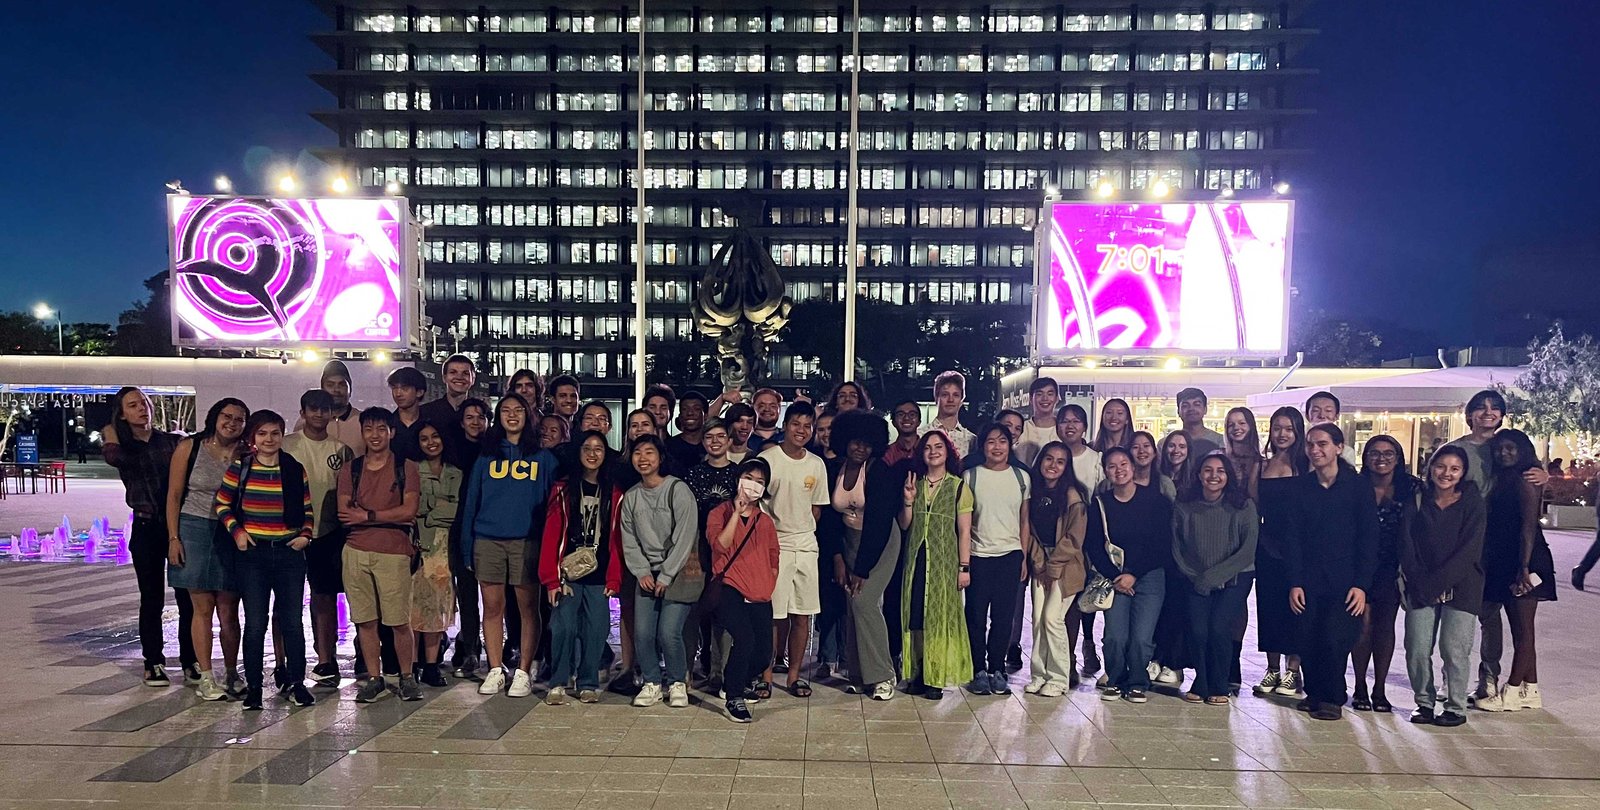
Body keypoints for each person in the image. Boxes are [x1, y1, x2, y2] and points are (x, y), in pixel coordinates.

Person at [1444, 390, 1548, 703]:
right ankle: (1453, 679)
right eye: (1480, 408)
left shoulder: (1508, 447)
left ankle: (1491, 679)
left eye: (1495, 408)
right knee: (1464, 611)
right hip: (1465, 540)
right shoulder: (1456, 449)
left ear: (1502, 414)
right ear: (1470, 415)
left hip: (1503, 545)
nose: (1488, 412)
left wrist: (1546, 476)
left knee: (1497, 615)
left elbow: (1529, 484)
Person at [460, 394, 559, 698]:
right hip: (487, 540)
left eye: (518, 410)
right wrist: (467, 546)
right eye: (506, 411)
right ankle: (494, 668)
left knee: (528, 608)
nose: (512, 415)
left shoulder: (542, 458)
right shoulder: (486, 456)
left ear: (529, 416)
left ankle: (524, 671)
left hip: (526, 541)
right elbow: (471, 503)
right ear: (498, 416)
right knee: (492, 607)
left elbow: (552, 509)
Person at [216, 410, 316, 710]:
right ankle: (255, 688)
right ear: (253, 438)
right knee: (256, 623)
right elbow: (223, 504)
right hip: (254, 555)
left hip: (289, 553)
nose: (269, 439)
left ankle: (298, 683)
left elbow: (308, 509)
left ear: (281, 435)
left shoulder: (294, 468)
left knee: (292, 623)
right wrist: (237, 532)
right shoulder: (241, 467)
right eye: (262, 434)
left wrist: (305, 536)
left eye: (274, 433)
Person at [1285, 422, 1379, 721]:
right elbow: (1294, 537)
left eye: (1322, 444)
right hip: (1309, 578)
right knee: (1308, 635)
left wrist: (1362, 584)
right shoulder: (1301, 488)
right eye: (1311, 444)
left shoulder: (1357, 487)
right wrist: (1295, 581)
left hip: (1346, 580)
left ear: (1339, 447)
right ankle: (1314, 692)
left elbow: (1369, 536)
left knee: (1335, 637)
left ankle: (1333, 697)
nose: (1315, 450)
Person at [107, 387, 196, 688]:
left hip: (177, 527)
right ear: (122, 414)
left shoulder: (172, 443)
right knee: (152, 599)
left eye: (144, 403)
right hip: (145, 528)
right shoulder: (123, 449)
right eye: (133, 405)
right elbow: (114, 457)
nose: (142, 409)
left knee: (188, 597)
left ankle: (191, 660)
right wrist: (110, 433)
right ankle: (153, 661)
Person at [162, 397, 248, 697]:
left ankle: (232, 672)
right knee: (202, 608)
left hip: (230, 531)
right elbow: (173, 496)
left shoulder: (246, 452)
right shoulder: (190, 447)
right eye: (227, 416)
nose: (232, 423)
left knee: (229, 609)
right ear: (215, 416)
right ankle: (206, 676)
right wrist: (174, 538)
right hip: (193, 528)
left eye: (239, 419)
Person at [338, 407, 424, 704]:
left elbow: (408, 511)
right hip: (356, 551)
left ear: (392, 432)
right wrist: (379, 516)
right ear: (362, 433)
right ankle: (374, 678)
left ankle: (407, 676)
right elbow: (346, 514)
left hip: (394, 552)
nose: (375, 435)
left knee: (399, 621)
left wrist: (368, 514)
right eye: (369, 429)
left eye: (381, 429)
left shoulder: (406, 467)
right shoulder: (351, 469)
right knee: (365, 620)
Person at [1399, 445, 1485, 727]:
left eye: (1454, 468)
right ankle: (1424, 702)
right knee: (1417, 646)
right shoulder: (1418, 499)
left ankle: (1455, 707)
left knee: (1454, 649)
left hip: (1463, 585)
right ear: (1430, 467)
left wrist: (1441, 582)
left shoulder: (1472, 502)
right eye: (1441, 466)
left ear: (1462, 473)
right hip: (1421, 585)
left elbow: (1470, 548)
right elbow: (1407, 544)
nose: (1446, 473)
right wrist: (1422, 582)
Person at [819, 410, 902, 701]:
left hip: (880, 543)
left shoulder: (879, 471)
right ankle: (857, 674)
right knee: (851, 605)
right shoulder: (834, 470)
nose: (860, 448)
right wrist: (839, 558)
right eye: (855, 441)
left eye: (867, 443)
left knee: (865, 601)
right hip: (849, 541)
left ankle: (882, 675)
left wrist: (862, 569)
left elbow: (879, 525)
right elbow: (829, 521)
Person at [538, 431, 624, 705]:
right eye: (586, 447)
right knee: (562, 627)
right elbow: (551, 534)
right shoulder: (562, 489)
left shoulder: (614, 492)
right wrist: (551, 579)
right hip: (567, 574)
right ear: (578, 452)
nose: (592, 453)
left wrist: (615, 577)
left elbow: (618, 540)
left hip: (599, 575)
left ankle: (587, 681)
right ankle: (559, 681)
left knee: (596, 630)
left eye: (599, 449)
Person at [1475, 429, 1557, 712]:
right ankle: (1531, 689)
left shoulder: (1527, 479)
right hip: (1508, 558)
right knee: (1521, 627)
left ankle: (1510, 691)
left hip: (1525, 559)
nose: (1504, 453)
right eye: (1499, 449)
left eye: (1511, 448)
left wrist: (1523, 567)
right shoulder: (1504, 479)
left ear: (1523, 450)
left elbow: (1527, 527)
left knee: (1523, 630)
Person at [1083, 448, 1174, 703]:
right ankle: (1114, 678)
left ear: (1133, 468)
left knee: (1142, 637)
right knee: (1114, 635)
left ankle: (1137, 680)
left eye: (1124, 464)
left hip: (1150, 575)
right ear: (1106, 472)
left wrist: (1133, 574)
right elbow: (1094, 545)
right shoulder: (1101, 504)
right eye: (1112, 466)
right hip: (1115, 578)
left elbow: (1162, 545)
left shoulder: (1156, 501)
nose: (1119, 470)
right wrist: (1116, 576)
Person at [620, 434, 701, 708]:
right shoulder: (631, 497)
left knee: (669, 631)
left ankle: (677, 682)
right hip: (646, 573)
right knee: (642, 632)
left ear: (660, 457)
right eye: (637, 453)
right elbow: (629, 539)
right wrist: (641, 570)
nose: (643, 458)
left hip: (677, 572)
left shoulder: (677, 489)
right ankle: (652, 682)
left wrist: (666, 574)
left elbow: (686, 535)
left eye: (649, 452)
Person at [757, 401, 830, 698]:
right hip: (775, 545)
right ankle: (765, 674)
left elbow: (816, 510)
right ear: (785, 427)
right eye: (796, 424)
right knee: (774, 614)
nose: (801, 431)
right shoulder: (768, 458)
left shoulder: (816, 464)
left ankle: (795, 676)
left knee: (803, 614)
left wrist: (802, 531)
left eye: (807, 426)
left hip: (806, 546)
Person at [1172, 453, 1258, 705]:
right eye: (1207, 470)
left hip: (1235, 578)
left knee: (1219, 628)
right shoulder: (1185, 504)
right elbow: (1177, 546)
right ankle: (1201, 680)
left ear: (1228, 476)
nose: (1213, 476)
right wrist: (1196, 576)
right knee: (1198, 631)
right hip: (1195, 578)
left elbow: (1247, 551)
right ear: (1198, 475)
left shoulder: (1243, 505)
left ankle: (1219, 683)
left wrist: (1215, 576)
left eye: (1220, 471)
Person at [283, 390, 355, 688]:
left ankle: (326, 660)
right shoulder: (286, 445)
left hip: (327, 533)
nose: (319, 414)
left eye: (324, 410)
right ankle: (285, 662)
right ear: (302, 411)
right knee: (286, 601)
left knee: (324, 597)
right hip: (287, 532)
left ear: (332, 413)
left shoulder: (341, 450)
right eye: (313, 409)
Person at [897, 429, 975, 699]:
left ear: (948, 451)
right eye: (927, 447)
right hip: (916, 560)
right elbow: (905, 525)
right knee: (915, 617)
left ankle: (936, 676)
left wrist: (964, 568)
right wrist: (907, 501)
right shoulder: (914, 483)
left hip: (944, 564)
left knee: (939, 618)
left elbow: (964, 531)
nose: (933, 451)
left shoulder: (958, 487)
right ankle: (917, 673)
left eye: (938, 446)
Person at [707, 458, 782, 722]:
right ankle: (734, 697)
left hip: (760, 591)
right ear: (739, 479)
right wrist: (736, 514)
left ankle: (733, 680)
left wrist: (770, 579)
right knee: (744, 638)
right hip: (731, 587)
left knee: (763, 653)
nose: (753, 485)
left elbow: (774, 555)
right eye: (749, 478)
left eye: (760, 482)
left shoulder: (766, 522)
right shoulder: (719, 513)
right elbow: (720, 545)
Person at [959, 424, 1031, 696]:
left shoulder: (1022, 477)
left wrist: (1023, 556)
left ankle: (997, 669)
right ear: (983, 446)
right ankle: (978, 669)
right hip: (979, 556)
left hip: (1010, 556)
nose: (997, 446)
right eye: (991, 441)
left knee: (1004, 618)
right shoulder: (970, 477)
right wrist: (963, 562)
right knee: (976, 616)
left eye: (1003, 441)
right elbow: (964, 523)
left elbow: (1025, 520)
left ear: (1010, 444)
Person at [1351, 435, 1415, 713]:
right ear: (1365, 458)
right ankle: (1360, 687)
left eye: (1388, 453)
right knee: (1362, 626)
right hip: (1360, 566)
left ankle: (1379, 688)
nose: (1381, 458)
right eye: (1374, 453)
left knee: (1385, 626)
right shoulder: (1355, 486)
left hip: (1393, 567)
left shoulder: (1411, 487)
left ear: (1398, 458)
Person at [1024, 442, 1087, 696]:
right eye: (1048, 459)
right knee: (1038, 620)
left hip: (1067, 566)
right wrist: (1039, 562)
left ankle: (1060, 677)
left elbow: (1074, 538)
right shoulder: (1034, 492)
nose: (1053, 465)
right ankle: (1039, 674)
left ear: (1066, 467)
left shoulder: (1073, 496)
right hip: (1040, 562)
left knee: (1053, 618)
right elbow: (1029, 531)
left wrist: (1053, 566)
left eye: (1060, 461)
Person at [682, 418, 741, 689]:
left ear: (730, 440)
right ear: (703, 442)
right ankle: (685, 671)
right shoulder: (693, 473)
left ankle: (719, 671)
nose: (715, 441)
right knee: (692, 610)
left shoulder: (740, 475)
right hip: (698, 548)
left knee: (722, 611)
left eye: (720, 436)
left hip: (729, 551)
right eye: (709, 437)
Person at [1254, 407, 1307, 698]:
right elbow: (1254, 506)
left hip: (1298, 545)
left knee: (1297, 607)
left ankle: (1293, 670)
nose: (1282, 434)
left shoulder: (1306, 465)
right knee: (1269, 606)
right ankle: (1271, 668)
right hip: (1268, 543)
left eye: (1288, 428)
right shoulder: (1262, 466)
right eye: (1277, 428)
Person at [412, 423, 460, 687]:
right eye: (424, 438)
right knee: (412, 606)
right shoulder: (411, 470)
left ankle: (431, 665)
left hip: (445, 548)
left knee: (438, 607)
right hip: (417, 546)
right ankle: (411, 665)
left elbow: (459, 510)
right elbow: (411, 506)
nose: (431, 442)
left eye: (435, 436)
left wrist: (428, 513)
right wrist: (439, 508)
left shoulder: (456, 473)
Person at [448, 397, 490, 679]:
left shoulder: (494, 451)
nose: (475, 422)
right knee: (465, 592)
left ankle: (498, 646)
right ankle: (470, 647)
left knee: (494, 594)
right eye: (470, 417)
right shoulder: (450, 449)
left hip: (488, 528)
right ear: (461, 421)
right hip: (458, 527)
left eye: (480, 417)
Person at [304, 360, 365, 452]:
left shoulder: (364, 422)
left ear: (350, 390)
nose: (336, 389)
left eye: (342, 385)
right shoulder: (307, 422)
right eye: (330, 385)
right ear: (322, 389)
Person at [419, 353, 476, 452]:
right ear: (444, 377)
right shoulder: (426, 412)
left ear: (473, 379)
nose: (459, 377)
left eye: (465, 373)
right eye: (453, 372)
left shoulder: (480, 414)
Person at [919, 370, 976, 458]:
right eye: (945, 395)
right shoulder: (920, 435)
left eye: (956, 395)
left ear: (961, 400)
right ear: (936, 398)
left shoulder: (971, 440)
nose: (950, 400)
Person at [386, 367, 430, 463]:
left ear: (419, 392)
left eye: (404, 388)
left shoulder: (430, 423)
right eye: (394, 388)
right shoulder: (387, 424)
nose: (398, 394)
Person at [1304, 392, 1361, 465]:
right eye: (1316, 410)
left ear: (1336, 416)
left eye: (1328, 410)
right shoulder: (1299, 449)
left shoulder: (1346, 452)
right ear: (1307, 416)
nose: (1322, 415)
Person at [1017, 377, 1060, 465]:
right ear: (1030, 399)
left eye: (1050, 394)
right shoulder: (1020, 429)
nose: (1045, 398)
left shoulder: (1063, 430)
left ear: (1057, 398)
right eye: (1039, 394)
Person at [1223, 408, 1262, 503]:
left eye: (1242, 423)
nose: (1236, 427)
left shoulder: (1262, 462)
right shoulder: (1219, 458)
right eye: (1231, 425)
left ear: (1251, 426)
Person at [665, 390, 711, 470]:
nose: (690, 413)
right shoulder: (668, 447)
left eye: (696, 409)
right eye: (685, 409)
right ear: (680, 416)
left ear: (706, 416)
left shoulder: (712, 446)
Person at [1176, 388, 1224, 458]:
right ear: (1178, 411)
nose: (1191, 409)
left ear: (1205, 409)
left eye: (1197, 404)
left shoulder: (1220, 441)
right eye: (1185, 405)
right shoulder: (1166, 444)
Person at [1130, 431, 1177, 500]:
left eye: (1146, 446)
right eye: (1135, 447)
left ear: (1154, 452)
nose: (1141, 451)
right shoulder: (1122, 482)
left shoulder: (1164, 484)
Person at [883, 399, 922, 469]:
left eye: (912, 414)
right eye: (901, 414)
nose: (906, 418)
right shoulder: (886, 454)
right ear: (893, 423)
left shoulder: (927, 450)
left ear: (919, 422)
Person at [748, 387, 785, 452]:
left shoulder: (788, 437)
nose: (767, 409)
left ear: (779, 409)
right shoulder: (745, 437)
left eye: (772, 406)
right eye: (761, 406)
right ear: (752, 407)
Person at [1159, 431, 1196, 495]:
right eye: (1171, 446)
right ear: (1165, 449)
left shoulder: (1196, 479)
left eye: (1182, 447)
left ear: (1188, 450)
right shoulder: (1156, 477)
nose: (1176, 451)